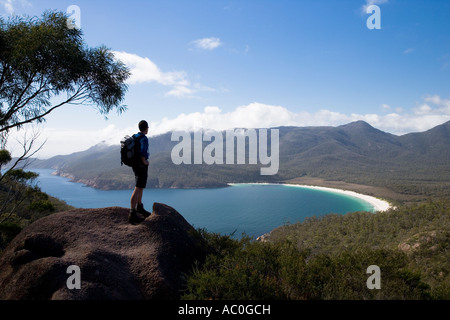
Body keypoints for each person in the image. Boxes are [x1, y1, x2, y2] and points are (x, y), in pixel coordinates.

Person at [129, 120, 151, 224]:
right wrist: (144, 161)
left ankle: (139, 207)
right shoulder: (144, 138)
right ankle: (132, 213)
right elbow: (143, 151)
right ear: (146, 128)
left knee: (140, 186)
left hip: (135, 165)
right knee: (138, 187)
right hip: (141, 165)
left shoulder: (134, 136)